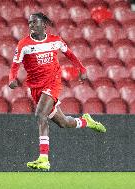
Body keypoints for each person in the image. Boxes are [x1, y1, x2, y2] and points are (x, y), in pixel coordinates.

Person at [8, 12, 106, 171]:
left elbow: (70, 54)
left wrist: (81, 69)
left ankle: (43, 159)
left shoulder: (55, 41)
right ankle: (86, 121)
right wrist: (11, 79)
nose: (31, 26)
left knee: (40, 115)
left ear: (44, 25)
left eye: (34, 23)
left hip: (53, 83)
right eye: (30, 23)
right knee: (64, 123)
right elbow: (14, 65)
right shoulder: (23, 45)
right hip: (36, 88)